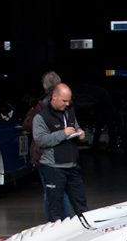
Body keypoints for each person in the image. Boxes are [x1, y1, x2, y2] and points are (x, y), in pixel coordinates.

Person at [32, 83, 88, 221]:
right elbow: (40, 140)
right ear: (54, 96)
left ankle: (87, 232)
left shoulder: (69, 113)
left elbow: (77, 127)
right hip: (54, 167)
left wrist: (80, 134)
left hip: (72, 165)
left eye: (69, 100)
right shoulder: (41, 117)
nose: (67, 104)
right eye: (64, 100)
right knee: (56, 206)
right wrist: (62, 134)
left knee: (81, 203)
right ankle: (57, 234)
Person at [22, 70, 72, 221]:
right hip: (63, 152)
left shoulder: (41, 105)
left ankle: (54, 224)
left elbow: (27, 125)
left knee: (50, 192)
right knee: (63, 190)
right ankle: (67, 222)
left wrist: (32, 110)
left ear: (44, 87)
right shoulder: (68, 104)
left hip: (45, 154)